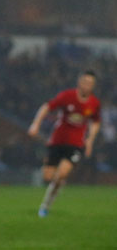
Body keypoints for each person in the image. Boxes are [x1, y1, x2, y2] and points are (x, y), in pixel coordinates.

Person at [27, 70, 101, 218]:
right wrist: (36, 124)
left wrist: (90, 139)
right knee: (48, 176)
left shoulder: (94, 103)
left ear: (93, 86)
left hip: (76, 144)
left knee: (62, 174)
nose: (87, 85)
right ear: (79, 82)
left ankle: (45, 205)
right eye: (85, 82)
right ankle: (57, 185)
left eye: (90, 83)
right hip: (58, 140)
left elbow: (95, 122)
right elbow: (47, 107)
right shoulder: (67, 96)